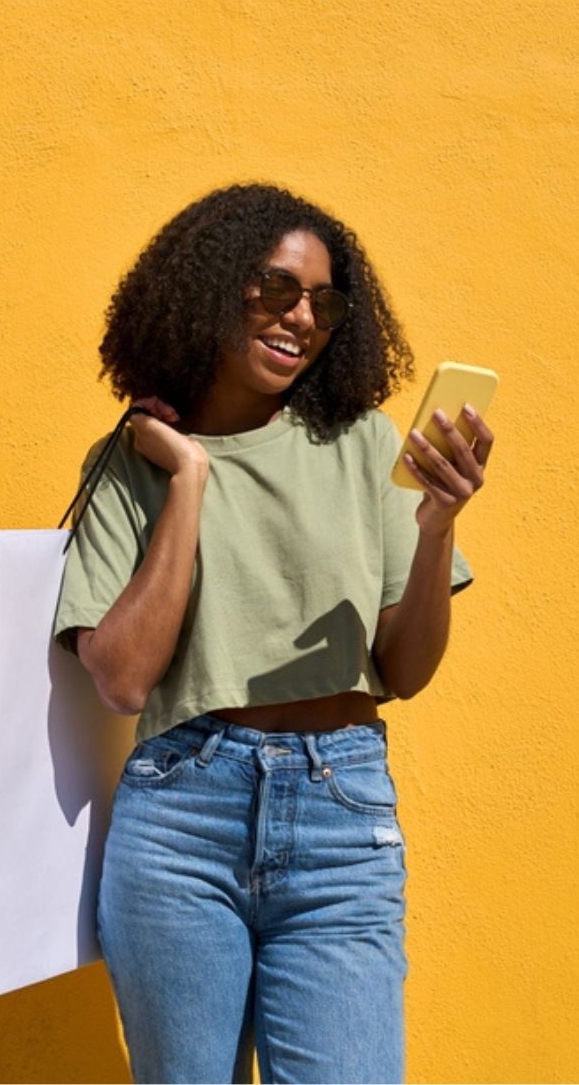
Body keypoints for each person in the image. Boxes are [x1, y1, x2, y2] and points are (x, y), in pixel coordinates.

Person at [52, 182, 494, 1085]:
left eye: (325, 303)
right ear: (213, 288)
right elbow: (124, 680)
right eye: (278, 289)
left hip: (342, 817)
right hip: (180, 820)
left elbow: (404, 672)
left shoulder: (366, 446)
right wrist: (187, 478)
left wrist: (439, 525)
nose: (303, 317)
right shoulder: (128, 464)